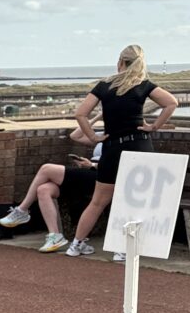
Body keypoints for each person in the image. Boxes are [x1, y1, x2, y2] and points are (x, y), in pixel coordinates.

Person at [62, 48, 178, 258]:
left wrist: (93, 137)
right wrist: (154, 126)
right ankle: (122, 250)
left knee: (98, 201)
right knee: (136, 201)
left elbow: (80, 114)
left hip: (113, 147)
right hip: (139, 145)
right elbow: (172, 103)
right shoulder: (144, 85)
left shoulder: (104, 86)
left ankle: (76, 245)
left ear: (120, 62)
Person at [0, 130, 102, 252]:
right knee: (43, 189)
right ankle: (55, 236)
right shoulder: (103, 134)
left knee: (46, 169)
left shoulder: (118, 138)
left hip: (101, 175)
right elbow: (75, 135)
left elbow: (115, 165)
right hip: (88, 170)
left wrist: (92, 165)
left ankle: (22, 210)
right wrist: (93, 119)